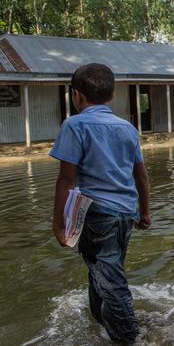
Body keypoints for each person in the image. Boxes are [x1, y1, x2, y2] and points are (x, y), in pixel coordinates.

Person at [50, 63, 151, 343]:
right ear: (112, 94)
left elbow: (66, 179)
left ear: (76, 95)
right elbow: (141, 177)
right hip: (125, 215)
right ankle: (100, 325)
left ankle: (131, 338)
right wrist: (144, 212)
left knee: (112, 282)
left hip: (96, 215)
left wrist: (58, 224)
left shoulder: (74, 125)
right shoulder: (127, 128)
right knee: (103, 272)